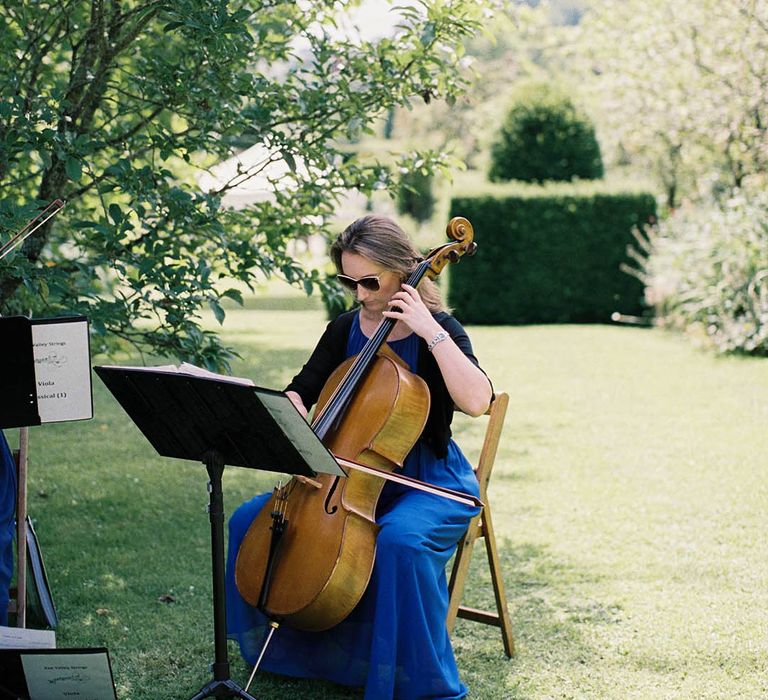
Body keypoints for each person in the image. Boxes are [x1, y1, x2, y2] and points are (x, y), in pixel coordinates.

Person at [225, 214, 493, 699]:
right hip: (346, 477)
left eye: (370, 281)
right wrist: (291, 407)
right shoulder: (345, 328)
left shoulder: (440, 329)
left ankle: (416, 680)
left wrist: (427, 328)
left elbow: (477, 400)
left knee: (400, 543)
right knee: (250, 520)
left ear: (402, 271)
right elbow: (302, 390)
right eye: (349, 281)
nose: (360, 293)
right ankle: (292, 656)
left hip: (429, 481)